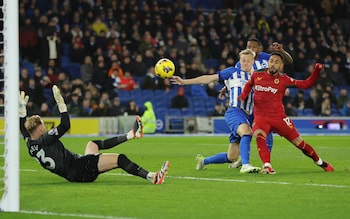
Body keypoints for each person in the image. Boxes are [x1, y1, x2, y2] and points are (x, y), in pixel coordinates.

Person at [19, 86, 170, 184]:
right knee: (120, 159)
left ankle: (131, 135)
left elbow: (24, 131)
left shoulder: (30, 144)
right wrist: (61, 104)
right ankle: (153, 177)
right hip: (80, 169)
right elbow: (65, 125)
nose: (44, 128)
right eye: (42, 126)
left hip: (75, 169)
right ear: (39, 130)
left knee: (92, 144)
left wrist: (22, 115)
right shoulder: (45, 139)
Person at [238, 52, 334, 174]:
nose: (273, 64)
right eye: (271, 61)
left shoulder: (284, 79)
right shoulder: (257, 74)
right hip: (261, 117)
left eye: (276, 62)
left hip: (279, 118)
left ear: (281, 65)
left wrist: (316, 71)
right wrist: (243, 95)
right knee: (259, 136)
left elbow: (306, 84)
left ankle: (320, 162)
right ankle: (267, 166)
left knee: (299, 143)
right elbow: (249, 84)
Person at [171, 49, 260, 173]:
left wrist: (226, 87)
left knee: (231, 157)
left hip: (248, 115)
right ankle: (245, 165)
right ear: (239, 61)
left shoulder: (256, 77)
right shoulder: (232, 72)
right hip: (235, 111)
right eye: (243, 60)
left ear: (252, 62)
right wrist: (185, 82)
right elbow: (208, 78)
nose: (245, 63)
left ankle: (203, 161)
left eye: (248, 61)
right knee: (246, 132)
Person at [230, 39, 294, 168]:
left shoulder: (267, 58)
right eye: (249, 46)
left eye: (254, 47)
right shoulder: (241, 62)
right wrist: (226, 87)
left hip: (263, 103)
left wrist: (281, 51)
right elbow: (236, 78)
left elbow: (289, 61)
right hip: (248, 104)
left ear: (259, 48)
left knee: (266, 130)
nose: (252, 49)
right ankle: (243, 158)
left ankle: (266, 161)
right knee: (242, 133)